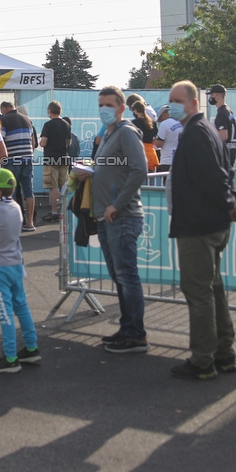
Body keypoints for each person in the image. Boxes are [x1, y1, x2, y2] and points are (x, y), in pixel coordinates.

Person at [166, 81, 236, 379]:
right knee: (213, 290)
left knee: (199, 292)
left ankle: (203, 360)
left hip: (198, 225)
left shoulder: (197, 133)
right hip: (209, 222)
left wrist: (229, 203)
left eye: (177, 100)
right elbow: (223, 172)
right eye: (171, 100)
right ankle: (224, 353)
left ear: (193, 102)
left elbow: (213, 176)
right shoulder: (207, 130)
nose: (172, 105)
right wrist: (231, 202)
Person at [94, 86, 150, 353]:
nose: (104, 109)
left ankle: (136, 334)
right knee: (120, 276)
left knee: (127, 276)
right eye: (101, 105)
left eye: (108, 105)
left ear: (121, 107)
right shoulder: (109, 134)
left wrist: (117, 204)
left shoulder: (126, 132)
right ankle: (127, 328)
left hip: (122, 215)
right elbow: (116, 168)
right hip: (107, 216)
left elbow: (139, 170)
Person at [0, 168, 41, 373]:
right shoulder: (16, 207)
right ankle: (31, 347)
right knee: (21, 306)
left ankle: (10, 358)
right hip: (15, 264)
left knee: (4, 313)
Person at [0, 101, 37, 232]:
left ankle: (14, 223)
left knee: (12, 191)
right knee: (28, 190)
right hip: (28, 158)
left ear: (3, 108)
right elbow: (32, 141)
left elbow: (2, 141)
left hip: (12, 159)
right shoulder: (27, 119)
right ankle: (30, 222)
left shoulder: (4, 120)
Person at [40, 100, 71, 222]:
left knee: (53, 187)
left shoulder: (48, 125)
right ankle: (64, 211)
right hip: (64, 158)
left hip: (51, 159)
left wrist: (41, 142)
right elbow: (69, 143)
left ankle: (54, 212)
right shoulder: (66, 125)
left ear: (50, 111)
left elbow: (43, 142)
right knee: (64, 186)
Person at [209, 84, 236, 166]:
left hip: (225, 152)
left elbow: (223, 136)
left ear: (218, 95)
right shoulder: (228, 110)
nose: (210, 98)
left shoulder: (221, 114)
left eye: (212, 95)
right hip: (231, 150)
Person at [130, 100, 160, 173]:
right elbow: (156, 135)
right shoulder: (152, 122)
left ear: (135, 110)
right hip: (151, 153)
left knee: (141, 182)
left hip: (139, 154)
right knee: (152, 182)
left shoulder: (134, 123)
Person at [154, 105, 182, 173]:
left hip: (167, 161)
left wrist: (154, 140)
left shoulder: (164, 124)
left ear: (163, 115)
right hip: (180, 160)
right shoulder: (181, 122)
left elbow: (158, 144)